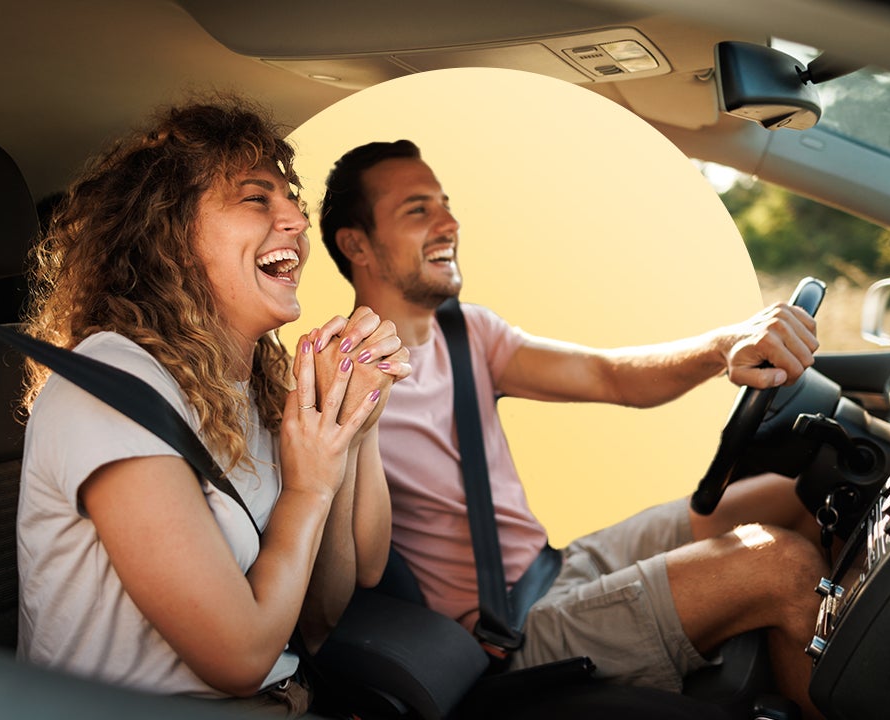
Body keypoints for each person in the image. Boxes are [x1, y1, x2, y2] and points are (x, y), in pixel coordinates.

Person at [317, 139, 828, 718]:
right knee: (784, 566)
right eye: (418, 210)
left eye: (445, 205)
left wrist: (723, 345)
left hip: (558, 564)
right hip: (510, 633)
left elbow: (610, 376)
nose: (450, 224)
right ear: (356, 244)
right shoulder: (341, 382)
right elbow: (354, 565)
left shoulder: (465, 333)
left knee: (800, 497)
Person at [15, 96, 409, 717]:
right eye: (256, 199)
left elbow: (325, 612)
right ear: (170, 236)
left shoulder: (254, 386)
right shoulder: (111, 386)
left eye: (291, 199)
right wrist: (307, 489)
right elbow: (240, 658)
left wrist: (352, 418)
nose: (298, 221)